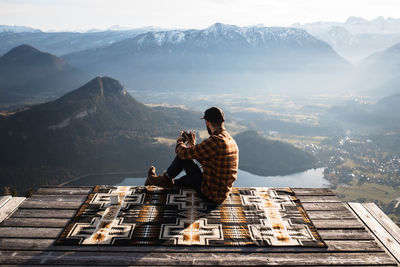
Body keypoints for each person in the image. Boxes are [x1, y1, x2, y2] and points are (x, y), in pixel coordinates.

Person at [145, 107, 239, 204]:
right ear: (222, 122)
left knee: (183, 157)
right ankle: (161, 182)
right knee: (182, 181)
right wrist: (192, 145)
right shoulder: (230, 140)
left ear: (207, 122)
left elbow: (183, 153)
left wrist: (180, 141)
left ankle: (166, 179)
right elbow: (209, 160)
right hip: (221, 193)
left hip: (210, 194)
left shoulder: (216, 140)